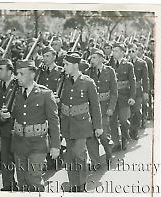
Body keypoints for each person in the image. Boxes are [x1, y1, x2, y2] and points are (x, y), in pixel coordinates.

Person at [0, 59, 61, 192]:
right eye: (17, 73)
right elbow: (10, 115)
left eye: (22, 74)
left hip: (37, 143)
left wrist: (56, 145)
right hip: (19, 143)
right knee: (22, 181)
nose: (17, 77)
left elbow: (54, 121)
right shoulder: (14, 94)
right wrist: (4, 116)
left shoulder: (45, 94)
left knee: (34, 179)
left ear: (32, 75)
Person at [60, 52, 103, 192]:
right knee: (69, 156)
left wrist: (98, 126)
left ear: (75, 65)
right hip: (67, 124)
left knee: (79, 154)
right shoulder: (63, 81)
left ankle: (82, 184)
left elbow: (95, 106)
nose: (64, 67)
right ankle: (74, 184)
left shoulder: (88, 82)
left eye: (66, 64)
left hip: (82, 125)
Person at [85, 49, 118, 167]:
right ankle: (95, 161)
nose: (91, 60)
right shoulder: (88, 72)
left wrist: (111, 108)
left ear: (101, 58)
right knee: (91, 135)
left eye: (94, 57)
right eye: (91, 58)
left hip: (104, 107)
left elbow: (114, 92)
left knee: (103, 135)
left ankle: (108, 152)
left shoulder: (110, 71)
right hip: (90, 109)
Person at [37, 45, 63, 170]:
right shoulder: (40, 71)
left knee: (55, 132)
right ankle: (49, 158)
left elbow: (64, 89)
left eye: (47, 56)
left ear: (54, 57)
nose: (45, 58)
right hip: (42, 105)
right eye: (43, 56)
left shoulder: (61, 72)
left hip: (57, 106)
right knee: (44, 132)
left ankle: (56, 157)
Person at [0, 58, 17, 191]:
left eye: (1, 69)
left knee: (19, 158)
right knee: (4, 157)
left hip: (16, 127)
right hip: (2, 128)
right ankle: (9, 184)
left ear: (10, 70)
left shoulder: (18, 84)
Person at [109, 43, 136, 151]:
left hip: (124, 97)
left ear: (122, 52)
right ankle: (116, 142)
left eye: (116, 51)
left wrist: (132, 97)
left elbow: (132, 82)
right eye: (113, 50)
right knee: (112, 121)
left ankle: (124, 138)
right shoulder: (109, 64)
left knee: (124, 120)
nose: (113, 53)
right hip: (112, 98)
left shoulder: (128, 65)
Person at [128, 44, 149, 140]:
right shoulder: (126, 63)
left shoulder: (142, 63)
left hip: (138, 91)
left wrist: (145, 91)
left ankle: (135, 130)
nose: (131, 53)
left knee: (136, 111)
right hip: (128, 91)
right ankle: (130, 129)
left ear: (137, 51)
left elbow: (145, 79)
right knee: (129, 111)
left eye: (133, 51)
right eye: (129, 51)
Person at [137, 43, 154, 125]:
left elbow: (151, 75)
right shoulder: (133, 60)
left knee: (146, 103)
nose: (138, 52)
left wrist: (151, 87)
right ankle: (140, 120)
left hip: (146, 84)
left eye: (140, 50)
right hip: (137, 86)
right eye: (137, 49)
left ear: (143, 51)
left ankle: (145, 118)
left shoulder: (148, 61)